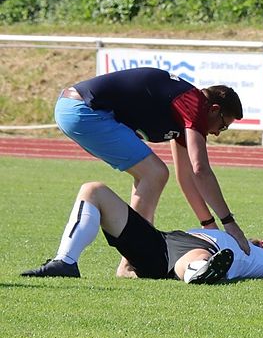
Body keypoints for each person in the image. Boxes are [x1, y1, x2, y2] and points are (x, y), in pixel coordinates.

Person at [54, 67, 250, 276]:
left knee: (151, 174)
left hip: (76, 109)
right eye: (223, 125)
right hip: (83, 110)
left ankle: (131, 261)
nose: (217, 133)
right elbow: (200, 169)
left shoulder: (186, 111)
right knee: (154, 173)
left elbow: (186, 177)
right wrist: (230, 224)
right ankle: (130, 263)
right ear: (214, 109)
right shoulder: (195, 104)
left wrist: (209, 225)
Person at [21, 182, 263, 282]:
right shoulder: (232, 240)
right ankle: (66, 262)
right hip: (161, 241)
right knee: (94, 190)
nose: (262, 241)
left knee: (196, 256)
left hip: (194, 254)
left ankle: (201, 271)